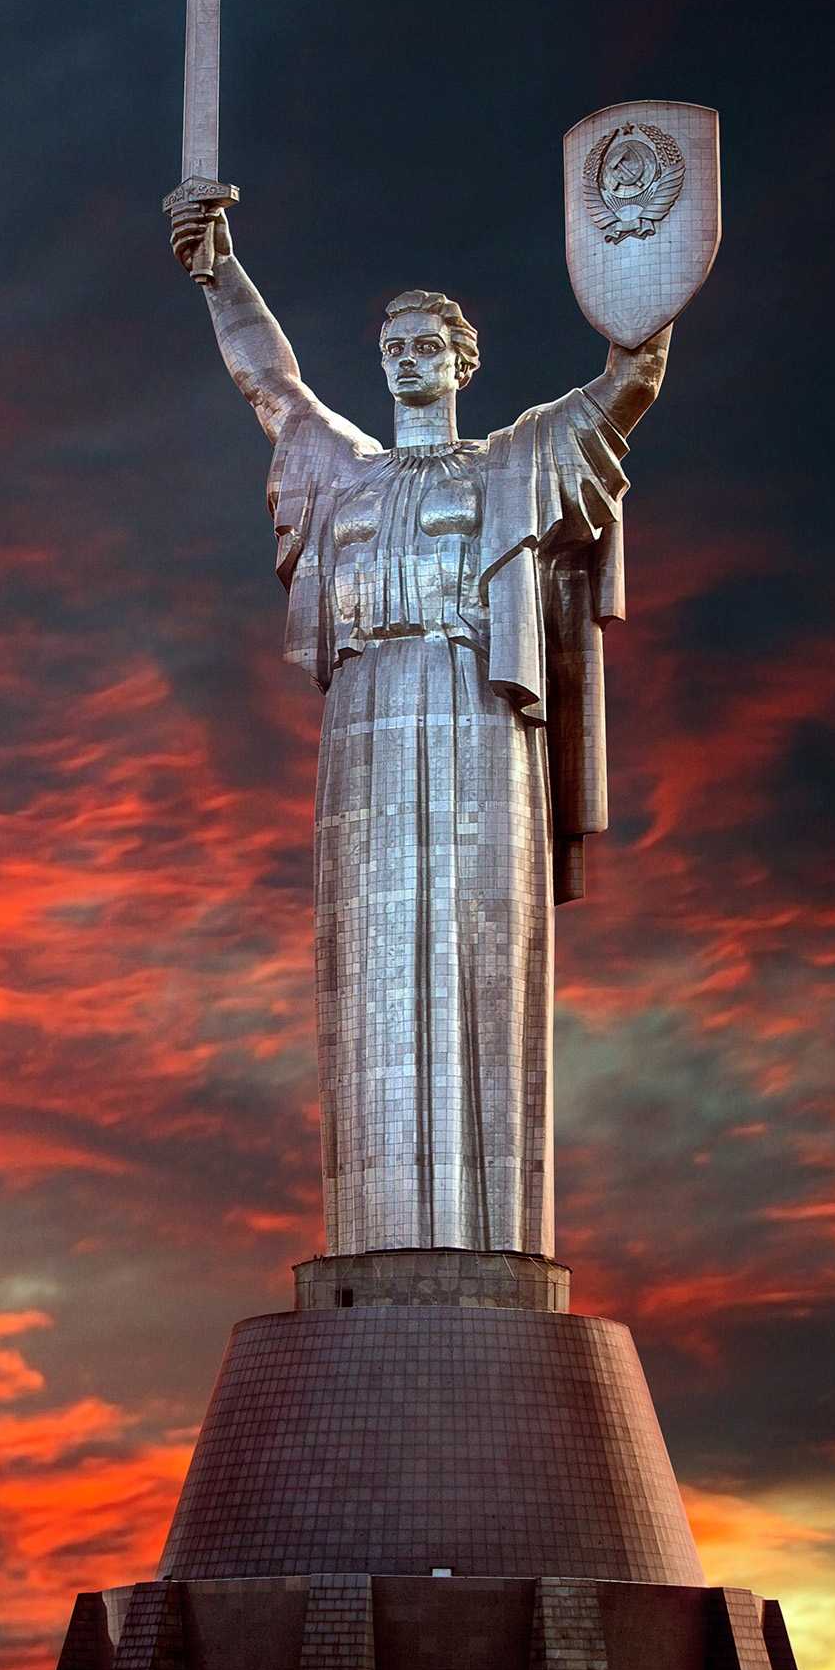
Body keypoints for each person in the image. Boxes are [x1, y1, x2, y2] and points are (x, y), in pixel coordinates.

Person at [170, 202, 670, 1258]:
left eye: (427, 346)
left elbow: (625, 388)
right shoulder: (342, 468)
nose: (407, 361)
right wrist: (219, 273)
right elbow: (269, 382)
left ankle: (487, 1240)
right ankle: (374, 1239)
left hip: (476, 701)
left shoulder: (514, 459)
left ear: (463, 362)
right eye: (393, 348)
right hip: (364, 712)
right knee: (368, 956)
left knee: (478, 935)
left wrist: (647, 293)